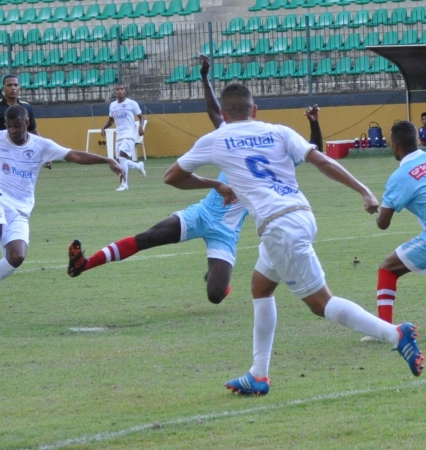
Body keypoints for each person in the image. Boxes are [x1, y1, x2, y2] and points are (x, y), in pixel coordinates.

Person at [165, 83, 423, 395]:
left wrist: (216, 184)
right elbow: (322, 161)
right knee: (261, 286)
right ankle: (257, 374)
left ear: (223, 114)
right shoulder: (278, 131)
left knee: (320, 303)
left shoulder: (215, 139)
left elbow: (172, 176)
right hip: (300, 213)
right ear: (255, 110)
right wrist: (364, 190)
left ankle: (396, 335)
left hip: (278, 227)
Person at [68, 55, 323, 306]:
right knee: (148, 237)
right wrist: (204, 77)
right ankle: (84, 264)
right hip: (201, 214)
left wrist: (314, 124)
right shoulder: (232, 140)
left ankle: (218, 278)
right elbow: (214, 110)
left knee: (215, 294)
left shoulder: (277, 154)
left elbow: (315, 153)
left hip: (226, 231)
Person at [0, 105, 124, 306]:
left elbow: (74, 155)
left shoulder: (41, 145)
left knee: (17, 256)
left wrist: (106, 159)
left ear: (26, 123)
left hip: (21, 209)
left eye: (17, 126)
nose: (12, 131)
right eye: (9, 126)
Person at [360, 122, 426, 340]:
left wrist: (373, 209)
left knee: (388, 268)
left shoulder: (400, 177)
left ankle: (384, 330)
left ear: (395, 147)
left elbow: (383, 223)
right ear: (417, 140)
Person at [102, 83, 146, 191]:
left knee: (121, 158)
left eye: (121, 89)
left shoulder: (131, 103)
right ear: (115, 91)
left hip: (130, 134)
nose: (119, 91)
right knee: (120, 161)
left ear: (125, 91)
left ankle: (124, 184)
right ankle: (138, 166)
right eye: (117, 89)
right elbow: (111, 120)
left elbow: (140, 117)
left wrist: (141, 128)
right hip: (119, 135)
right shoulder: (113, 105)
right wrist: (103, 128)